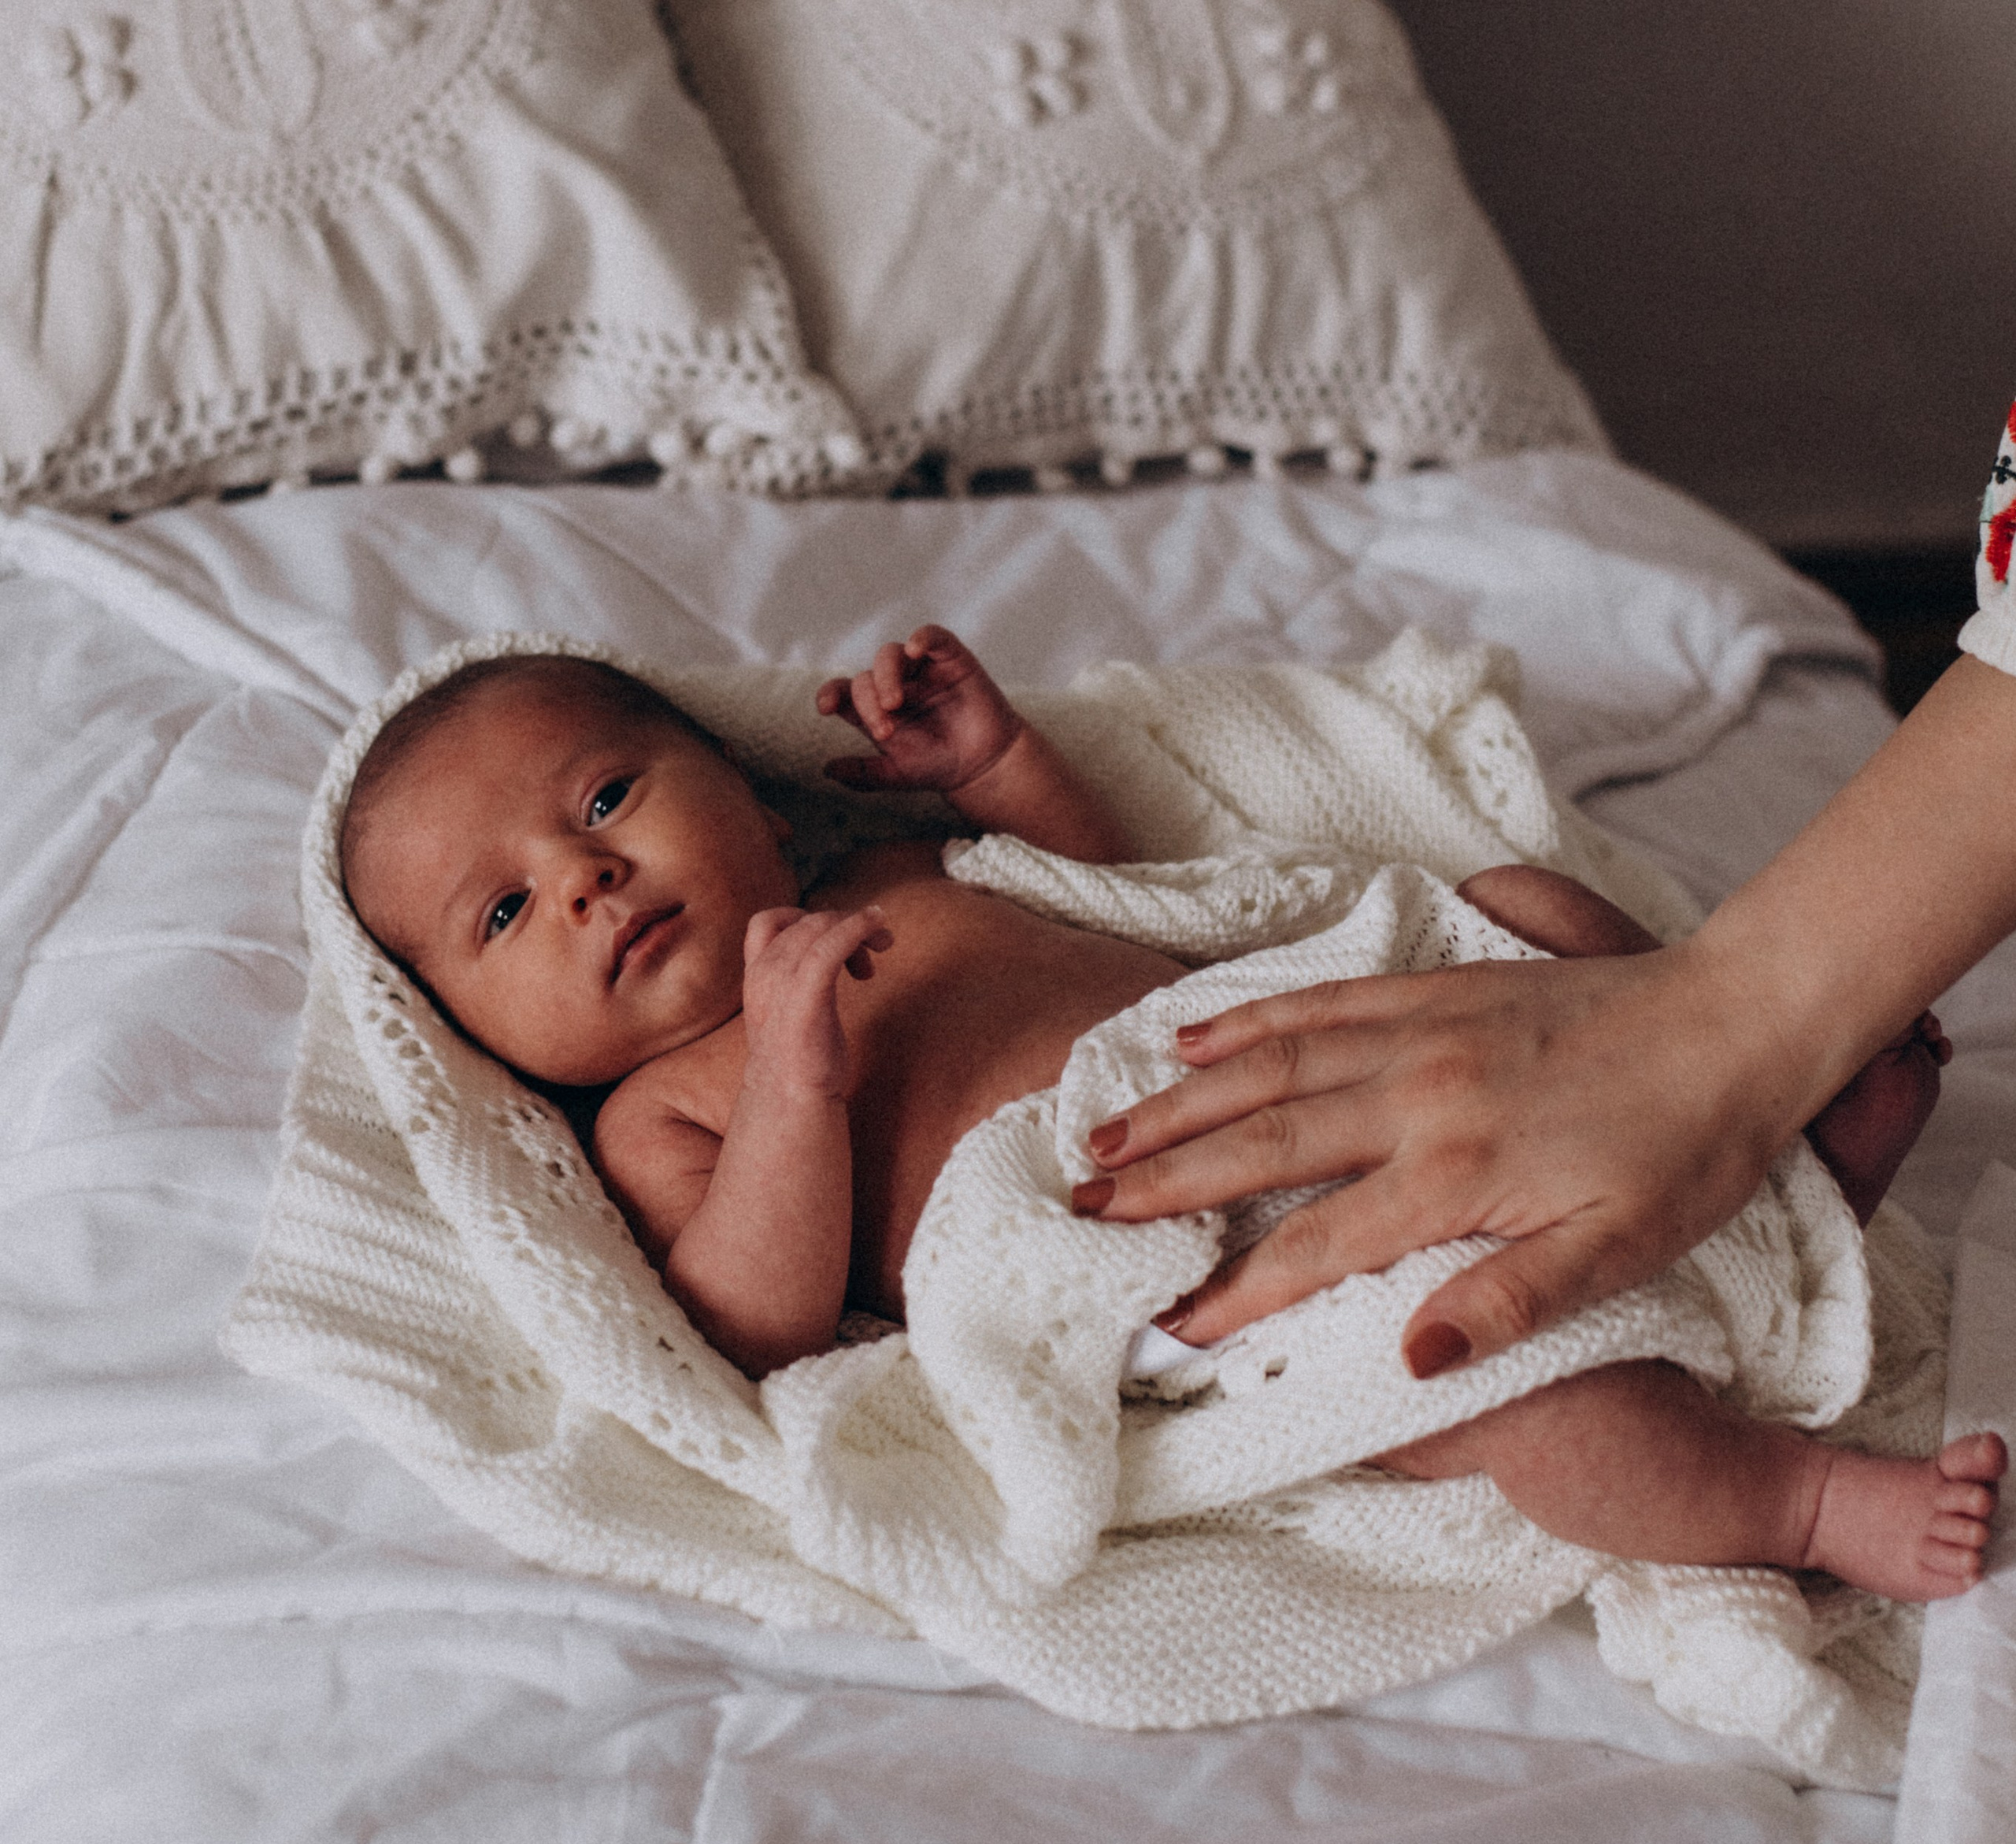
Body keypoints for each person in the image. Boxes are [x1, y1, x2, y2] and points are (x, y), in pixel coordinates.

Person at [337, 627, 2003, 1605]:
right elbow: (756, 1317)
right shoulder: (664, 1110)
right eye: (499, 917)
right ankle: (1793, 1503)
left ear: (739, 783)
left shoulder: (894, 871)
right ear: (470, 1029)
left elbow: (1113, 896)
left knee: (1530, 908)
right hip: (1205, 1262)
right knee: (1515, 1398)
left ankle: (1771, 1153)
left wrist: (992, 767)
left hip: (1313, 1044)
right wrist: (794, 1078)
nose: (582, 880)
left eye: (608, 797)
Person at [1074, 403, 2016, 1402]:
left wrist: (1742, 1012)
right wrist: (1747, 1005)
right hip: (1222, 1208)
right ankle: (1775, 1276)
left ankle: (1784, 1234)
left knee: (1519, 903)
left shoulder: (904, 860)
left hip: (1293, 1043)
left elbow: (1091, 867)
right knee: (1451, 1363)